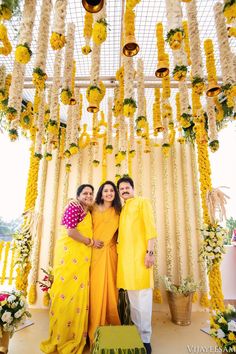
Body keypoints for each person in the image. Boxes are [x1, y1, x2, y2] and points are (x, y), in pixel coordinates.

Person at [40, 184, 104, 354]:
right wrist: (90, 242)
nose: (89, 196)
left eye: (91, 193)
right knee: (66, 293)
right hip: (69, 258)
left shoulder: (87, 211)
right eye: (85, 193)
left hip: (81, 260)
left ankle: (76, 334)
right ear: (78, 195)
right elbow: (70, 232)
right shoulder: (73, 206)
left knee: (77, 294)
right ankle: (63, 337)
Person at [116, 177, 157, 354]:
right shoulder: (123, 209)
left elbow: (151, 229)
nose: (124, 190)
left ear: (133, 188)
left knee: (144, 301)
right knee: (133, 302)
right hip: (126, 263)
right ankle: (136, 335)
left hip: (141, 259)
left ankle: (146, 340)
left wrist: (150, 253)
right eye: (121, 188)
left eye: (127, 187)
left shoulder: (142, 202)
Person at [88, 181, 122, 344]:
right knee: (94, 290)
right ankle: (92, 327)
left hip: (110, 254)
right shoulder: (92, 207)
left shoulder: (119, 211)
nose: (108, 193)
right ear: (101, 193)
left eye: (111, 191)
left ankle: (109, 324)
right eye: (105, 190)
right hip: (93, 253)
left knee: (110, 289)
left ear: (115, 194)